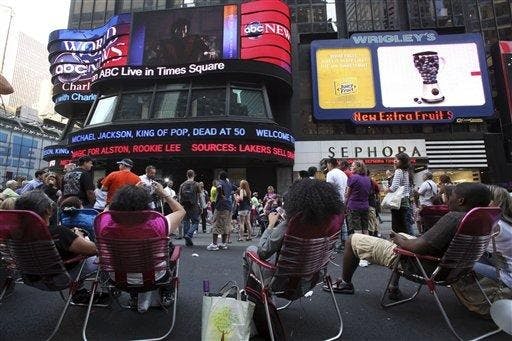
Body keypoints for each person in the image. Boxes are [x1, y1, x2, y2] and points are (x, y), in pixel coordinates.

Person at [324, 183, 491, 300]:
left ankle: (346, 283)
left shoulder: (454, 217)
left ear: (461, 201)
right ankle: (393, 287)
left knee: (352, 239)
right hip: (453, 268)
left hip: (422, 265)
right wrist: (403, 237)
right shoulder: (482, 219)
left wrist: (397, 239)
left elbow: (418, 247)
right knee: (404, 233)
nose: (448, 199)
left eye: (452, 196)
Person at [243, 179, 344, 292]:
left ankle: (253, 298)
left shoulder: (291, 225)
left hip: (282, 284)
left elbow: (263, 252)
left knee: (250, 250)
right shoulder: (330, 224)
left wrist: (271, 226)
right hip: (311, 281)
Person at [107, 183, 185, 308]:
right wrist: (163, 193)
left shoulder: (105, 226)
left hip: (117, 278)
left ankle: (134, 296)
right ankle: (167, 291)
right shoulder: (158, 225)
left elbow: (107, 211)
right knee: (170, 248)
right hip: (153, 278)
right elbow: (180, 211)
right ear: (146, 206)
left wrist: (129, 192)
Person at [14, 191, 100, 303]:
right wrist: (79, 237)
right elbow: (94, 249)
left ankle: (79, 291)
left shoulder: (14, 235)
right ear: (48, 210)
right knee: (102, 258)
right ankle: (89, 291)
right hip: (58, 279)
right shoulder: (59, 233)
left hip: (30, 278)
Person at [326, 158, 349, 250]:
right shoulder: (343, 174)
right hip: (343, 200)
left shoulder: (330, 173)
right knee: (342, 222)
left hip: (334, 201)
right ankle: (344, 242)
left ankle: (333, 244)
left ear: (330, 164)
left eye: (327, 164)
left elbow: (329, 189)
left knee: (332, 222)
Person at [207, 171, 233, 251]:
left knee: (217, 223)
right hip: (228, 207)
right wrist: (228, 196)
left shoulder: (220, 182)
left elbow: (219, 187)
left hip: (221, 206)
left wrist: (222, 195)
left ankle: (214, 244)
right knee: (226, 225)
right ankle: (223, 244)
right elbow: (237, 189)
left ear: (219, 176)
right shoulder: (229, 183)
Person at [386, 152, 412, 234]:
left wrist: (387, 190)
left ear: (402, 161)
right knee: (406, 225)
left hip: (398, 201)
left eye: (396, 160)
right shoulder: (406, 171)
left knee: (397, 226)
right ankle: (410, 242)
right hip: (405, 200)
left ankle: (400, 244)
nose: (394, 161)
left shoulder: (398, 171)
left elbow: (394, 187)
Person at [178, 169, 200, 247]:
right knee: (196, 222)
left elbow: (179, 197)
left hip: (184, 205)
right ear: (194, 175)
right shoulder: (196, 184)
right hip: (193, 205)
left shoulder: (182, 185)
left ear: (187, 175)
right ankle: (189, 234)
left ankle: (187, 242)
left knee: (186, 221)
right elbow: (199, 195)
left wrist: (180, 206)